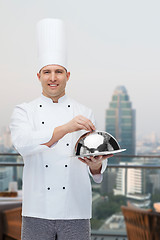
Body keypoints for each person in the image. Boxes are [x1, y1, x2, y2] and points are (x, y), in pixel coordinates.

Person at [9, 18, 112, 240]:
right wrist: (66, 127)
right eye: (47, 72)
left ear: (68, 76)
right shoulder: (24, 110)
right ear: (39, 76)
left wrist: (96, 165)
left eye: (59, 72)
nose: (53, 78)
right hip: (37, 209)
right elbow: (23, 144)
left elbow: (94, 158)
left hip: (75, 209)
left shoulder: (85, 112)